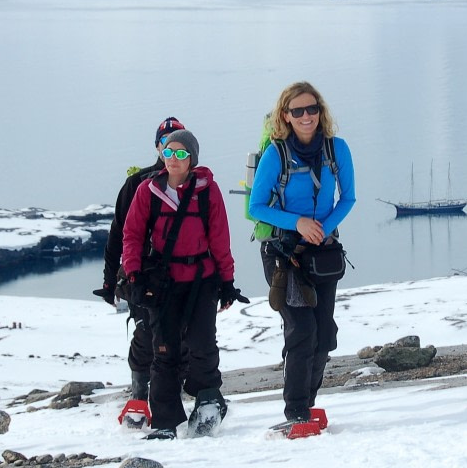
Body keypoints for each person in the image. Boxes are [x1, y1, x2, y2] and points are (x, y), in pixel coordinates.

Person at [121, 129, 245, 440]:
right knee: (164, 350)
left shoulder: (208, 191)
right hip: (164, 283)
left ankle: (208, 400)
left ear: (192, 158)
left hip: (202, 280)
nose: (173, 158)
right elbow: (132, 235)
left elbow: (220, 238)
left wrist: (227, 281)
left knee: (202, 343)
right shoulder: (147, 191)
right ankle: (165, 420)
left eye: (180, 153)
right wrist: (133, 274)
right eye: (168, 152)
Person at [248, 82, 356, 430]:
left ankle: (307, 404)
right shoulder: (275, 155)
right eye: (298, 111)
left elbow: (348, 198)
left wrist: (322, 228)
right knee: (301, 330)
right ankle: (295, 410)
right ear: (286, 116)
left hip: (321, 252)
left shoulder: (336, 149)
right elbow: (256, 207)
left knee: (324, 333)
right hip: (283, 254)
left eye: (312, 109)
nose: (306, 116)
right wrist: (298, 222)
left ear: (320, 112)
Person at [93, 117, 185, 416]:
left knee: (180, 334)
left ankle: (170, 393)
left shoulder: (196, 183)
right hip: (143, 275)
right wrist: (110, 282)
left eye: (176, 142)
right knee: (146, 333)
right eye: (165, 142)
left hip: (185, 275)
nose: (170, 149)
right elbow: (119, 234)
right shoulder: (137, 183)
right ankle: (139, 392)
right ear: (158, 147)